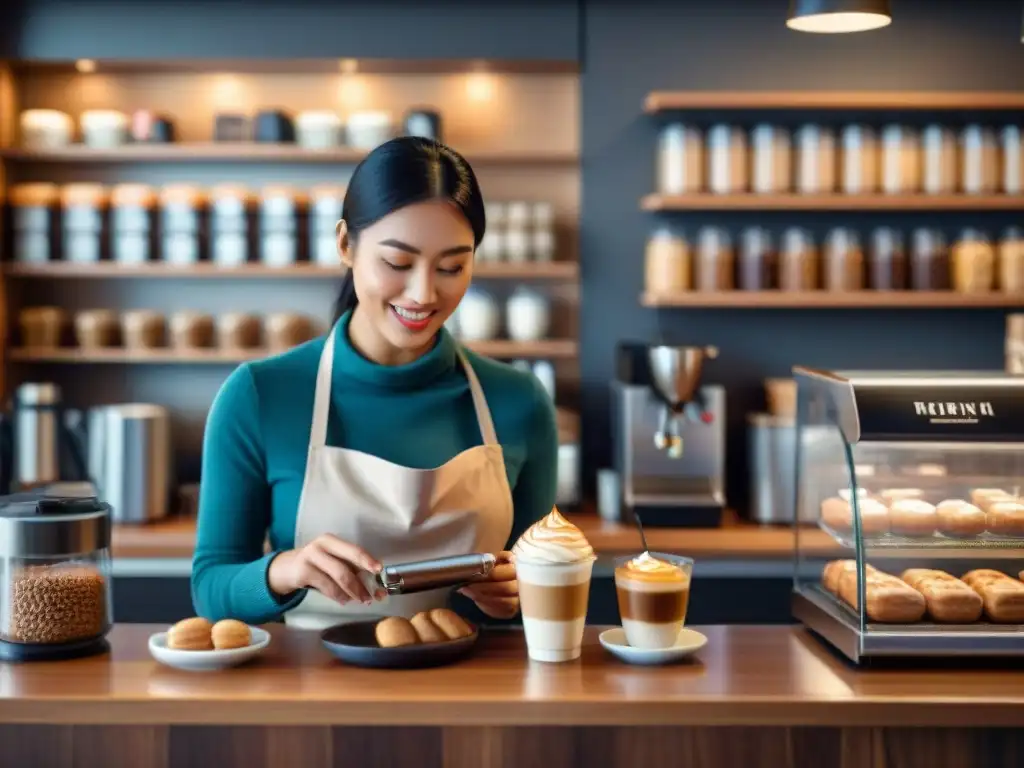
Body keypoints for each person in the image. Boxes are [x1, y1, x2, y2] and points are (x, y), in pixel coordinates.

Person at [190, 137, 559, 630]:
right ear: (345, 244)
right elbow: (211, 589)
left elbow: (547, 585)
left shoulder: (520, 402)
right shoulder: (260, 395)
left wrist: (522, 592)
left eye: (452, 266)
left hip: (476, 696)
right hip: (313, 695)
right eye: (398, 263)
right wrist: (286, 569)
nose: (424, 293)